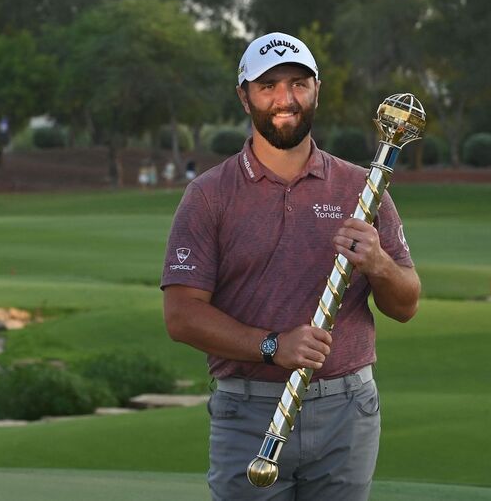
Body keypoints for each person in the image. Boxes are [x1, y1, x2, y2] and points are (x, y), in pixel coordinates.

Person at [161, 32, 420, 501]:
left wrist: (379, 263)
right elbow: (181, 316)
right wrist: (272, 345)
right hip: (248, 408)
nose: (285, 99)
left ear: (317, 89)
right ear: (245, 97)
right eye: (268, 86)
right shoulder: (209, 195)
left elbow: (406, 305)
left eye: (298, 84)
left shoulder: (362, 188)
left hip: (347, 408)